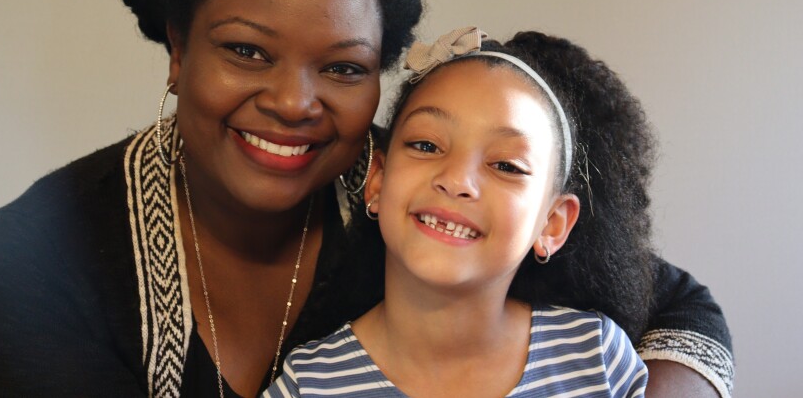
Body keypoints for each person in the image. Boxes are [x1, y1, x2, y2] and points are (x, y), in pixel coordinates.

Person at [0, 0, 733, 398]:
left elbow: (680, 306)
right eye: (246, 51)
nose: (295, 101)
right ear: (178, 48)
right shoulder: (45, 256)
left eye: (344, 67)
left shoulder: (424, 201)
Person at [264, 27, 652, 397]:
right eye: (426, 145)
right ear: (378, 180)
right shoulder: (309, 384)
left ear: (553, 223)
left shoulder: (596, 357)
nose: (456, 180)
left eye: (506, 166)